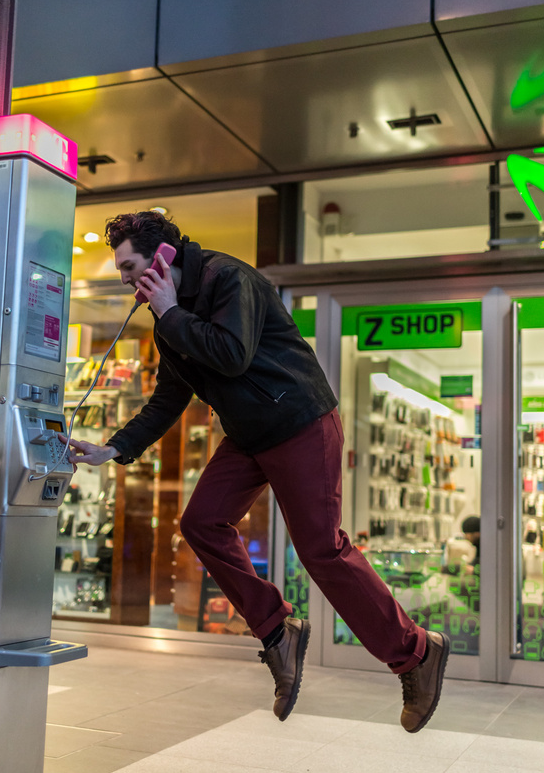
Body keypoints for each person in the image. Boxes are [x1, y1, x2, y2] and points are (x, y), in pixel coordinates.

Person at [68, 211, 450, 731]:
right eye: (121, 272)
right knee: (201, 522)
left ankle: (416, 653)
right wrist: (113, 447)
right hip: (249, 435)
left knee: (321, 549)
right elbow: (167, 400)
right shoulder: (167, 318)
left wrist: (170, 310)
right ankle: (277, 631)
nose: (126, 281)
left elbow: (231, 355)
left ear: (164, 256)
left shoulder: (230, 279)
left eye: (131, 266)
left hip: (299, 421)